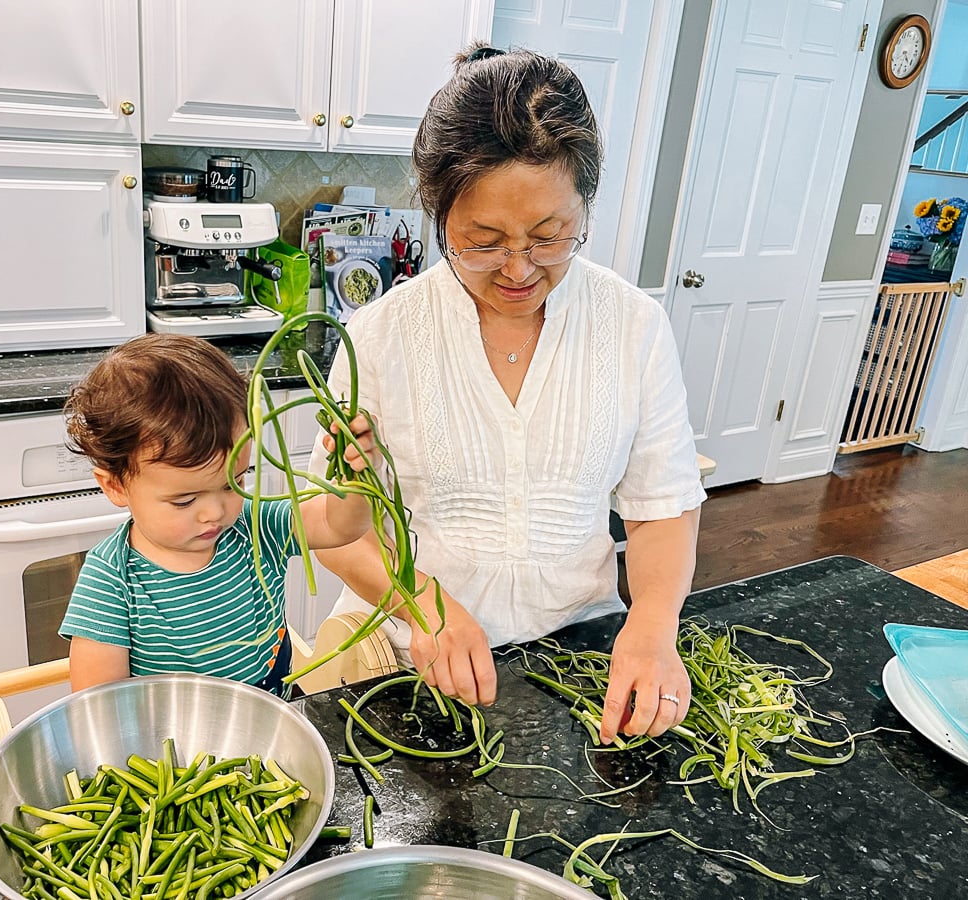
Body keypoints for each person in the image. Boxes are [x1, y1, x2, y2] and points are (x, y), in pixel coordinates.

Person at [311, 43, 705, 744]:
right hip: (407, 661)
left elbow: (659, 506)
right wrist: (422, 604)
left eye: (551, 236)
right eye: (483, 241)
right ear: (438, 218)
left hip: (579, 664)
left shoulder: (634, 326)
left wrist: (651, 626)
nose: (519, 268)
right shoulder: (377, 338)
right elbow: (336, 532)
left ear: (584, 205)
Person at [59, 333, 378, 696]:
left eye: (233, 483)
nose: (215, 512)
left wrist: (357, 477)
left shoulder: (257, 528)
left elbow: (339, 525)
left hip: (279, 719)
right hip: (178, 746)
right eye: (184, 500)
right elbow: (101, 702)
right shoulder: (111, 580)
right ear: (116, 486)